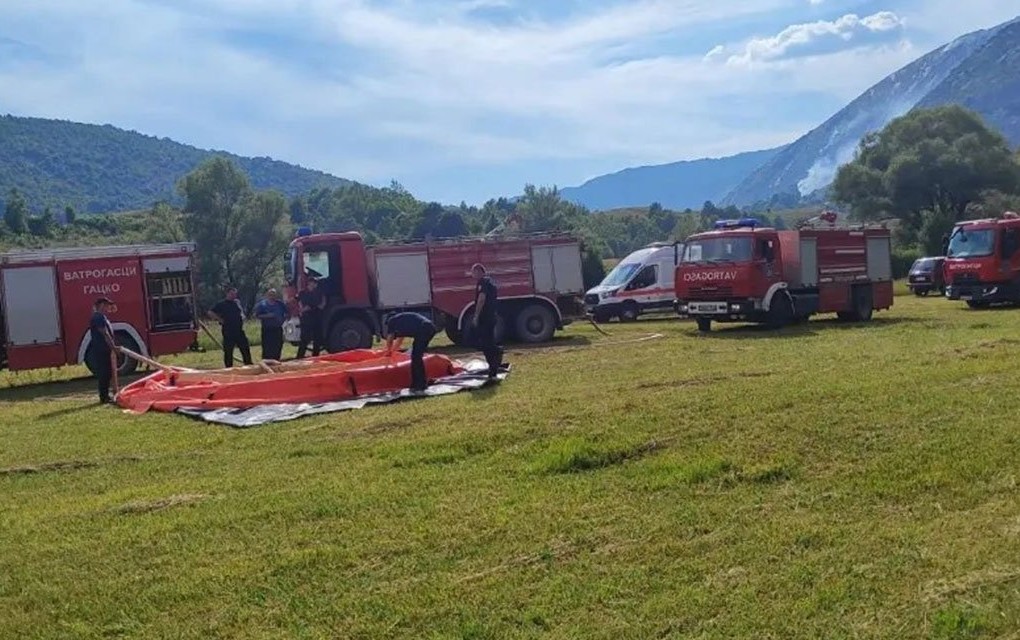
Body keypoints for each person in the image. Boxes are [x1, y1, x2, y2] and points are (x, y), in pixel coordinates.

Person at [383, 311, 437, 392]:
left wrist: (388, 351)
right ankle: (418, 382)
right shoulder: (402, 321)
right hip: (429, 327)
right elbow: (399, 341)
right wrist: (392, 352)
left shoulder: (392, 320)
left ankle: (420, 384)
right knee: (417, 356)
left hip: (423, 329)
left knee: (416, 357)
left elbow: (390, 339)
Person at [470, 263, 503, 378]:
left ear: (479, 271)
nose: (472, 274)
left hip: (485, 317)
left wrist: (476, 316)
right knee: (489, 341)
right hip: (492, 316)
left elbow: (481, 299)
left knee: (486, 344)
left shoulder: (482, 282)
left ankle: (493, 366)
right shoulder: (490, 281)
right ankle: (496, 355)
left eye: (473, 272)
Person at [208, 286, 253, 368]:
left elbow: (241, 312)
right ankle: (229, 367)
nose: (233, 295)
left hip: (239, 330)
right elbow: (210, 312)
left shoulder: (237, 303)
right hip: (228, 330)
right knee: (228, 350)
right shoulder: (222, 304)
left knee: (245, 347)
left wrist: (242, 317)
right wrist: (220, 319)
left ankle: (249, 365)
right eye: (232, 294)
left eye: (235, 294)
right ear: (227, 294)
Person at [87, 297, 117, 404]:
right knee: (104, 373)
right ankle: (104, 397)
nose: (109, 307)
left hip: (104, 349)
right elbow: (105, 333)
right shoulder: (98, 317)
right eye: (107, 305)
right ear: (101, 305)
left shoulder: (102, 317)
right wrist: (113, 346)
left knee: (107, 373)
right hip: (101, 349)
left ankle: (105, 396)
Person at [254, 288, 287, 361]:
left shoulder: (280, 304)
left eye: (274, 294)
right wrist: (268, 316)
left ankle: (276, 360)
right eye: (270, 294)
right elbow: (257, 315)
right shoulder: (262, 304)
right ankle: (267, 361)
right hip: (267, 329)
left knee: (278, 345)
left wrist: (283, 320)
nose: (272, 296)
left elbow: (287, 313)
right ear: (267, 295)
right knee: (267, 347)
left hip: (277, 328)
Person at [297, 277, 326, 358]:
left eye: (315, 282)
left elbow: (322, 302)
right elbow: (298, 301)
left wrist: (320, 306)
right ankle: (300, 357)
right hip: (306, 318)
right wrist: (302, 309)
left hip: (317, 317)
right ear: (309, 283)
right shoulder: (303, 292)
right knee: (304, 338)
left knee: (317, 338)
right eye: (313, 282)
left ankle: (315, 357)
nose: (314, 284)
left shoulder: (319, 292)